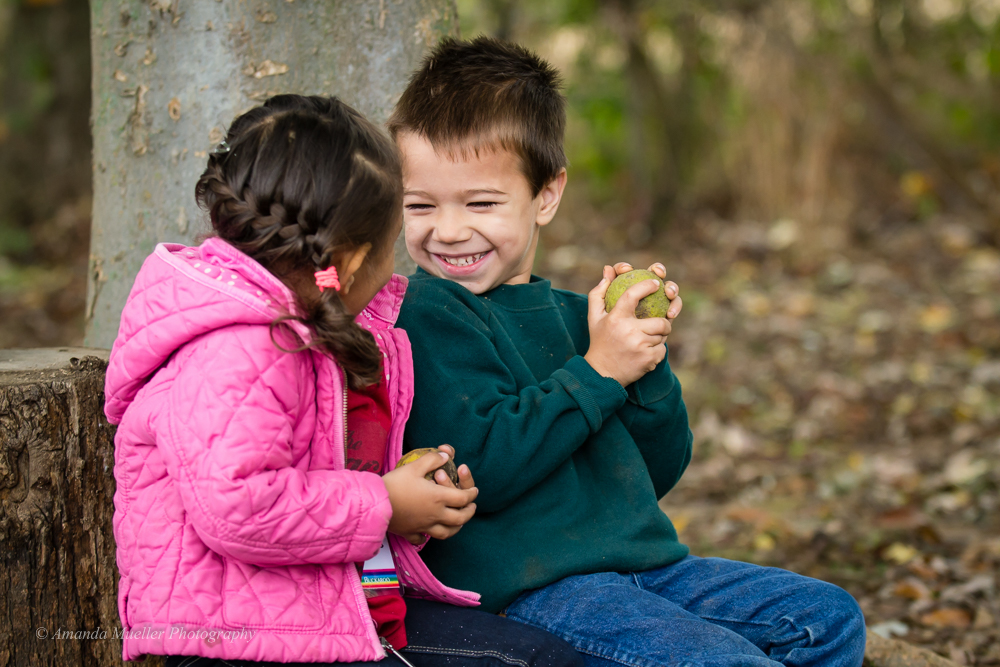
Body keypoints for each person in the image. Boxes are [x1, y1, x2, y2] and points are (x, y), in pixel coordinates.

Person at [389, 38, 867, 667]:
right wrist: (598, 371)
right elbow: (483, 469)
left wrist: (642, 362)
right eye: (420, 204)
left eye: (481, 203)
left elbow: (660, 468)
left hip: (652, 571)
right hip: (538, 593)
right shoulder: (425, 311)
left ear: (547, 195)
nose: (447, 230)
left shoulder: (572, 315)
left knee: (827, 619)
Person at [104, 94, 585, 667]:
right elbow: (239, 506)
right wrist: (384, 502)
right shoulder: (240, 346)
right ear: (353, 261)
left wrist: (408, 487)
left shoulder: (301, 324)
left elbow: (313, 464)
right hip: (244, 638)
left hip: (319, 611)